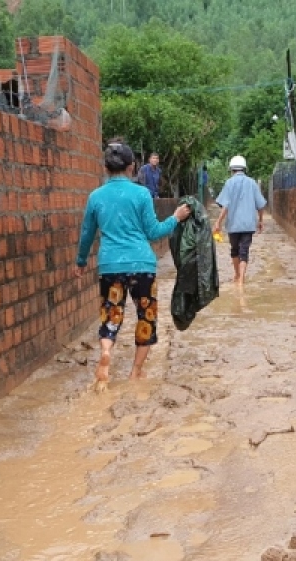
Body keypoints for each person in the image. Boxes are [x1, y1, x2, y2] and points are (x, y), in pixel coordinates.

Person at [76, 142, 191, 386]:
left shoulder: (95, 197)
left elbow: (87, 233)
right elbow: (153, 231)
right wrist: (176, 218)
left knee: (111, 314)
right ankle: (135, 372)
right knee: (145, 317)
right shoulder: (141, 194)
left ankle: (106, 351)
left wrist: (81, 261)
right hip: (142, 265)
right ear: (132, 167)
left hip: (110, 266)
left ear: (105, 168)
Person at [214, 155, 267, 286]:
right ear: (244, 169)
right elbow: (260, 205)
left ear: (232, 169)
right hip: (249, 224)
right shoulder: (252, 183)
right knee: (244, 251)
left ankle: (237, 275)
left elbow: (225, 206)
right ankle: (242, 279)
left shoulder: (229, 183)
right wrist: (260, 220)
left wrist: (218, 222)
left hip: (233, 224)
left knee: (234, 250)